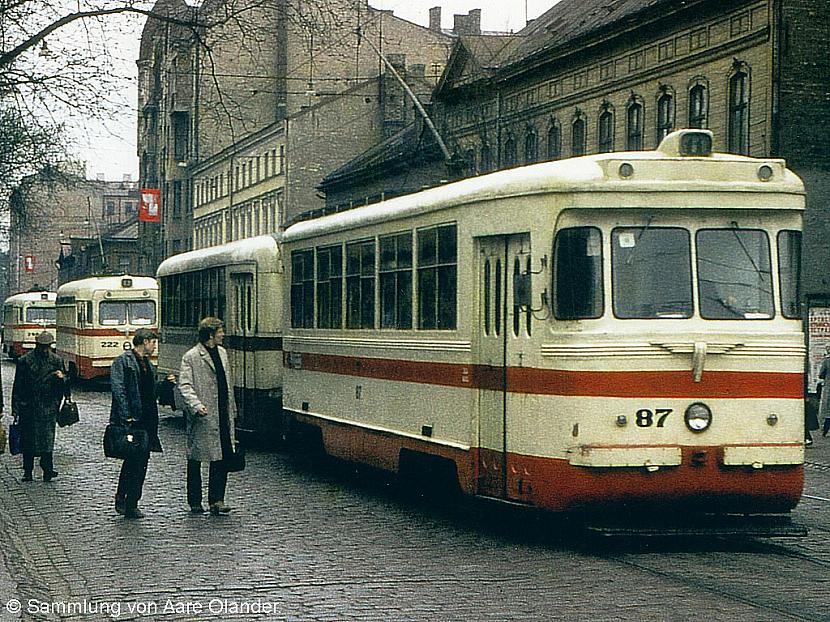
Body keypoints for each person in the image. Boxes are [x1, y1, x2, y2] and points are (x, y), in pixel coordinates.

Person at [178, 317, 238, 516]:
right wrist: (196, 406)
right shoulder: (191, 356)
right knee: (196, 458)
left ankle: (217, 500)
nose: (223, 334)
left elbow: (227, 385)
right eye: (220, 331)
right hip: (203, 414)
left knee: (221, 456)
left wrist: (232, 410)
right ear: (210, 334)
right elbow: (185, 385)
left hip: (221, 412)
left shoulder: (222, 353)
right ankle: (195, 500)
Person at [110, 328, 164, 518]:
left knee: (141, 462)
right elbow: (119, 390)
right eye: (153, 342)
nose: (154, 346)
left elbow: (150, 391)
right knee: (132, 459)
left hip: (148, 420)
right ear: (144, 341)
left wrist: (164, 386)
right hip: (132, 419)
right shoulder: (123, 361)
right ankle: (123, 497)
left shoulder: (148, 365)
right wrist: (127, 416)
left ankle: (132, 501)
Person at [11, 331, 69, 482]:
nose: (45, 350)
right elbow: (18, 386)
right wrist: (16, 408)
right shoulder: (24, 361)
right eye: (42, 346)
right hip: (29, 406)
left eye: (47, 347)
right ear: (37, 345)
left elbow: (65, 386)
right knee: (28, 440)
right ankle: (28, 471)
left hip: (48, 406)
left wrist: (62, 379)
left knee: (47, 440)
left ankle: (47, 469)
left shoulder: (56, 361)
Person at [819, 345, 830, 437]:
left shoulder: (826, 361)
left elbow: (821, 374)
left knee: (828, 409)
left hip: (829, 387)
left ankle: (825, 429)